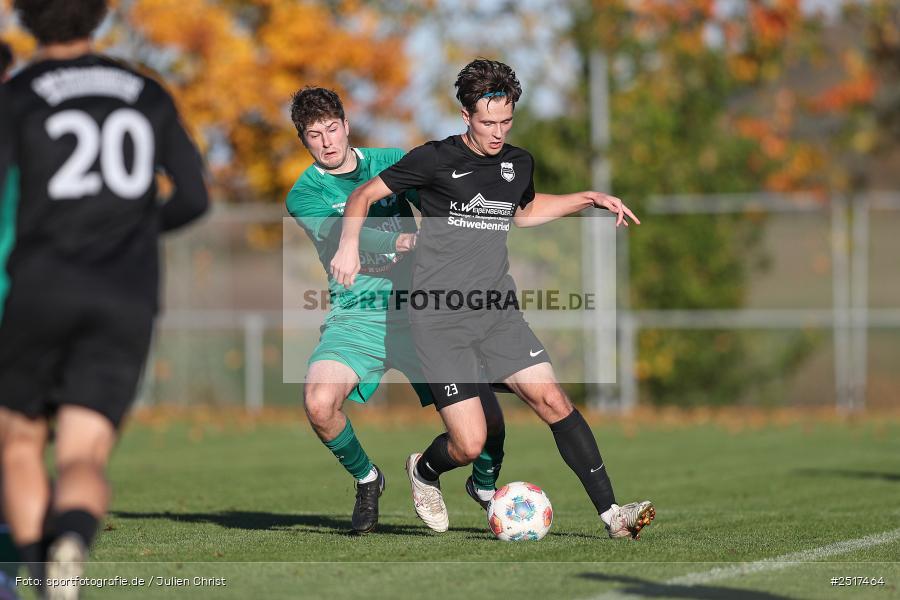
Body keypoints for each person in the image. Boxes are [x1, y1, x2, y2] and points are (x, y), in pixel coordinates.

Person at [331, 59, 654, 538]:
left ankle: (614, 517)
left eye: (506, 121)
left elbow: (522, 212)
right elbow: (361, 196)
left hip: (498, 312)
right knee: (469, 443)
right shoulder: (433, 159)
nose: (498, 132)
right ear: (465, 115)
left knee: (552, 399)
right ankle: (424, 470)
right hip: (439, 323)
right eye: (488, 122)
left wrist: (586, 198)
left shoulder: (518, 162)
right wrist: (349, 247)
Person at [0, 1, 209, 597]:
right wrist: (134, 232)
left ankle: (34, 573)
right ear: (99, 16)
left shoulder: (18, 96)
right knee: (83, 455)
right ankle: (70, 539)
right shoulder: (145, 93)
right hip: (126, 294)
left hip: (41, 287)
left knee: (18, 442)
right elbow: (193, 198)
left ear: (26, 18)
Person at [286, 87, 506, 534]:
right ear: (304, 141)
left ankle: (481, 484)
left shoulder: (390, 160)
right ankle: (368, 480)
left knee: (482, 425)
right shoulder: (303, 194)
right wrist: (399, 240)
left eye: (332, 129)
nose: (327, 142)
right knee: (318, 403)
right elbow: (339, 234)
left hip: (422, 310)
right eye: (314, 135)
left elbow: (442, 197)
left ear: (347, 126)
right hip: (358, 314)